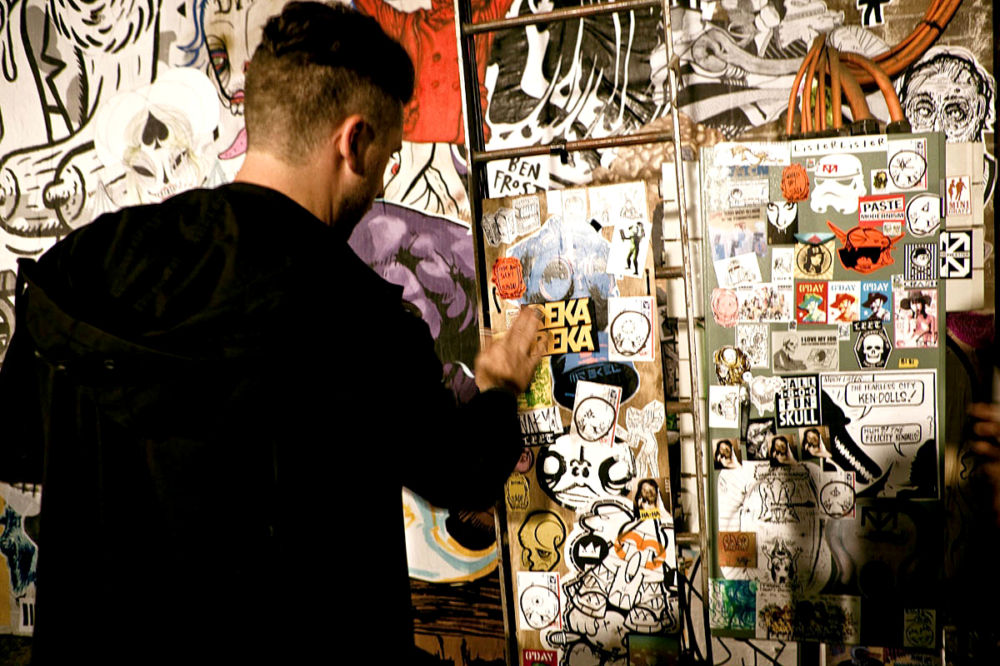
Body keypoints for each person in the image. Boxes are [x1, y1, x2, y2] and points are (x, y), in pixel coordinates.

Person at [0, 3, 543, 663]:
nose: (382, 181)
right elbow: (461, 472)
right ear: (354, 142)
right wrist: (499, 385)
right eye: (388, 157)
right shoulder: (360, 318)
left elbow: (19, 445)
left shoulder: (80, 267)